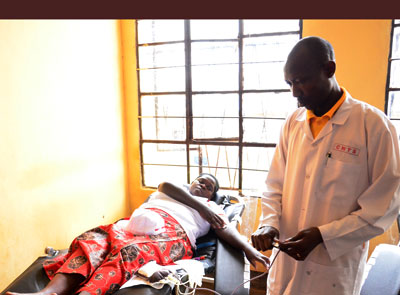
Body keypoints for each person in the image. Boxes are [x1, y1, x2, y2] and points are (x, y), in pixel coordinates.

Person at [251, 36, 400, 295]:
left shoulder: (374, 126)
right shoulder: (292, 123)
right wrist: (269, 223)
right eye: (289, 83)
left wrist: (323, 235)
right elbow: (274, 186)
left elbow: (382, 208)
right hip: (284, 267)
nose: (295, 92)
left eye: (301, 81)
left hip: (332, 272)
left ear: (329, 70)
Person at [7, 173, 269, 295]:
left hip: (172, 234)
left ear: (213, 195)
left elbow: (227, 231)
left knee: (129, 253)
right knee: (92, 242)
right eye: (200, 180)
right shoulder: (172, 189)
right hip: (131, 224)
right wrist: (198, 203)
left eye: (208, 187)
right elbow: (164, 184)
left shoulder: (214, 210)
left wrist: (251, 250)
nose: (202, 185)